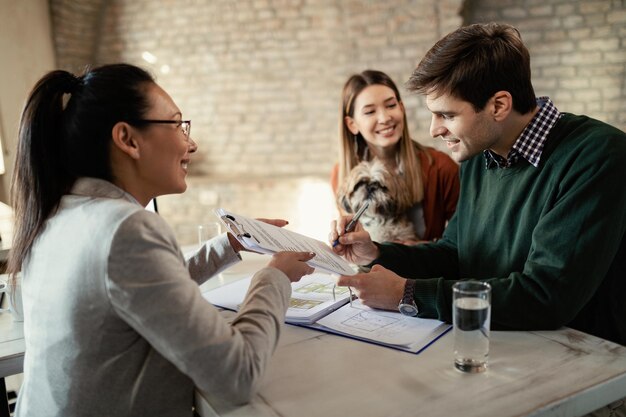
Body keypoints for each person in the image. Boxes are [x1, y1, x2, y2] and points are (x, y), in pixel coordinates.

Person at [8, 63, 316, 417]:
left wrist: (228, 245)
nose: (192, 143)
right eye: (178, 125)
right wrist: (274, 276)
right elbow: (236, 377)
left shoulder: (60, 212)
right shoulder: (126, 227)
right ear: (128, 139)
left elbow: (139, 295)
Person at [330, 23, 626, 346]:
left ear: (498, 105)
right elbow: (456, 253)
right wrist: (376, 252)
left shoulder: (598, 156)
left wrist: (408, 293)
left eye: (446, 115)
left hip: (584, 363)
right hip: (501, 343)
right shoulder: (478, 155)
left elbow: (546, 294)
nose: (433, 130)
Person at [330, 70, 459, 243]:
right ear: (352, 124)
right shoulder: (341, 174)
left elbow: (464, 240)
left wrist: (414, 251)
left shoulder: (441, 167)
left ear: (402, 108)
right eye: (369, 112)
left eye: (390, 105)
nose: (384, 118)